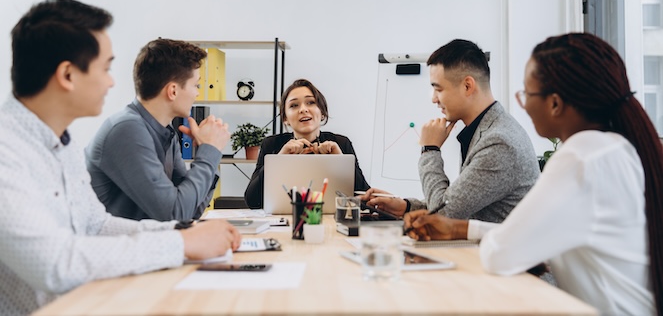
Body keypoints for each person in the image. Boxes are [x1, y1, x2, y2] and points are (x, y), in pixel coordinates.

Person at [0, 0, 241, 315]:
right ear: (68, 75)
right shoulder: (8, 151)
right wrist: (181, 243)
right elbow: (55, 263)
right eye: (106, 68)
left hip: (95, 302)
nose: (113, 81)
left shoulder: (61, 143)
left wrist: (183, 234)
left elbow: (96, 225)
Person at [404, 33, 662, 315]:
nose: (523, 105)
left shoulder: (579, 157)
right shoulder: (612, 148)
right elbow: (531, 233)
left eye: (527, 94)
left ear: (554, 104)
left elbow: (501, 255)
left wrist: (429, 150)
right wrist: (462, 228)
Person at [361, 39, 540, 223]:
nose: (434, 99)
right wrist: (406, 206)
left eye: (438, 89)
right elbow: (458, 203)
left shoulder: (499, 142)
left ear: (467, 86)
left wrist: (430, 149)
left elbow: (442, 214)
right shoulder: (489, 129)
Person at [86, 38, 228, 221]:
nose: (198, 93)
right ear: (173, 91)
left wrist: (209, 151)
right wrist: (210, 151)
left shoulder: (167, 134)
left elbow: (190, 211)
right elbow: (174, 214)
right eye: (196, 85)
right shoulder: (127, 130)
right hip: (116, 246)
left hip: (147, 243)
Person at [244, 79, 370, 208]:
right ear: (285, 118)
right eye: (294, 105)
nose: (303, 109)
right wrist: (279, 160)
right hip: (285, 221)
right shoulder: (272, 145)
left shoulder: (341, 143)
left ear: (322, 112)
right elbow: (252, 201)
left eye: (310, 102)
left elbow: (365, 199)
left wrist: (340, 160)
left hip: (331, 221)